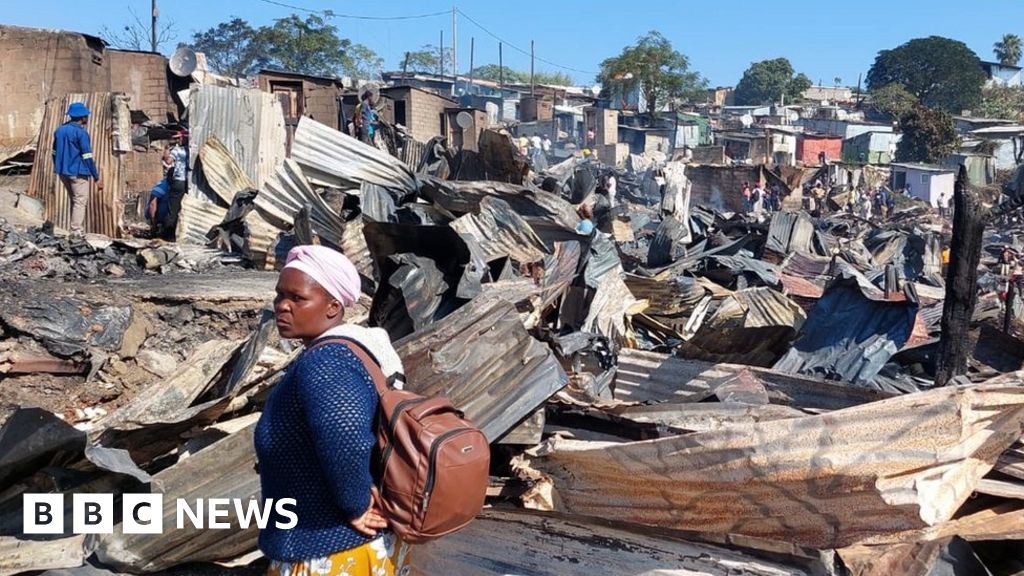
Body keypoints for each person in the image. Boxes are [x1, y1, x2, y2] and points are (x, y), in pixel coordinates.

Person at [256, 245, 411, 576]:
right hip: (332, 541)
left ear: (333, 307)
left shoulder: (328, 362)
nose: (282, 306)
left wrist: (355, 506)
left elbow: (346, 433)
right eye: (279, 295)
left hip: (330, 548)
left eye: (297, 298)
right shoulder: (353, 352)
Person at [53, 102, 103, 236]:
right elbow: (87, 156)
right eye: (86, 115)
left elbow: (54, 152)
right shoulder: (81, 133)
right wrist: (96, 177)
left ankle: (74, 229)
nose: (87, 118)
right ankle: (76, 231)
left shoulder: (59, 130)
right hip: (78, 173)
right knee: (80, 201)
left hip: (63, 172)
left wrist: (58, 167)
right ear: (82, 117)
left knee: (74, 200)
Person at [161, 130, 188, 240]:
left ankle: (169, 235)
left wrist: (166, 149)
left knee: (173, 209)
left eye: (179, 138)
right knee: (185, 208)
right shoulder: (192, 149)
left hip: (179, 181)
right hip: (191, 182)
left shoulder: (177, 150)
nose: (178, 140)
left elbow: (168, 161)